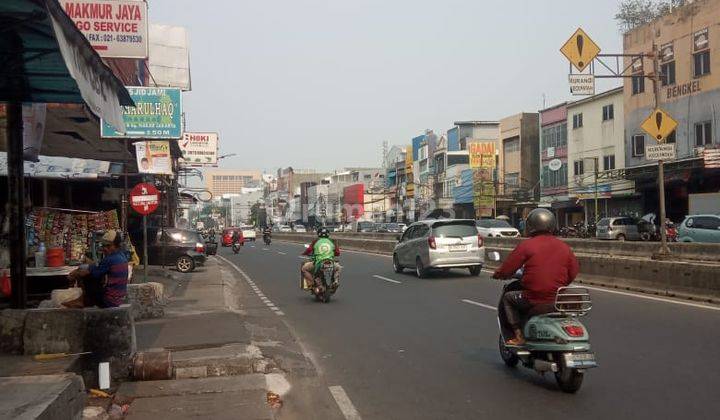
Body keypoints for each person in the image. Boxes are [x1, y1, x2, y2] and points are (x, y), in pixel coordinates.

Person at [493, 208, 579, 346]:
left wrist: (499, 274)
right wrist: (559, 284)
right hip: (557, 298)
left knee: (508, 298)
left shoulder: (527, 245)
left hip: (534, 297)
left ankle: (518, 335)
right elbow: (573, 271)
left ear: (531, 225)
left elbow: (509, 267)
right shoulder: (564, 247)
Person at [68, 230, 129, 308]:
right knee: (90, 272)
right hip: (119, 299)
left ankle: (83, 300)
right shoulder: (122, 256)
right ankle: (84, 300)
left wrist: (75, 273)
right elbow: (98, 267)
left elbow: (94, 272)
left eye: (108, 246)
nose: (105, 249)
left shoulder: (109, 259)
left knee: (87, 276)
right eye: (103, 246)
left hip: (109, 301)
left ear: (116, 246)